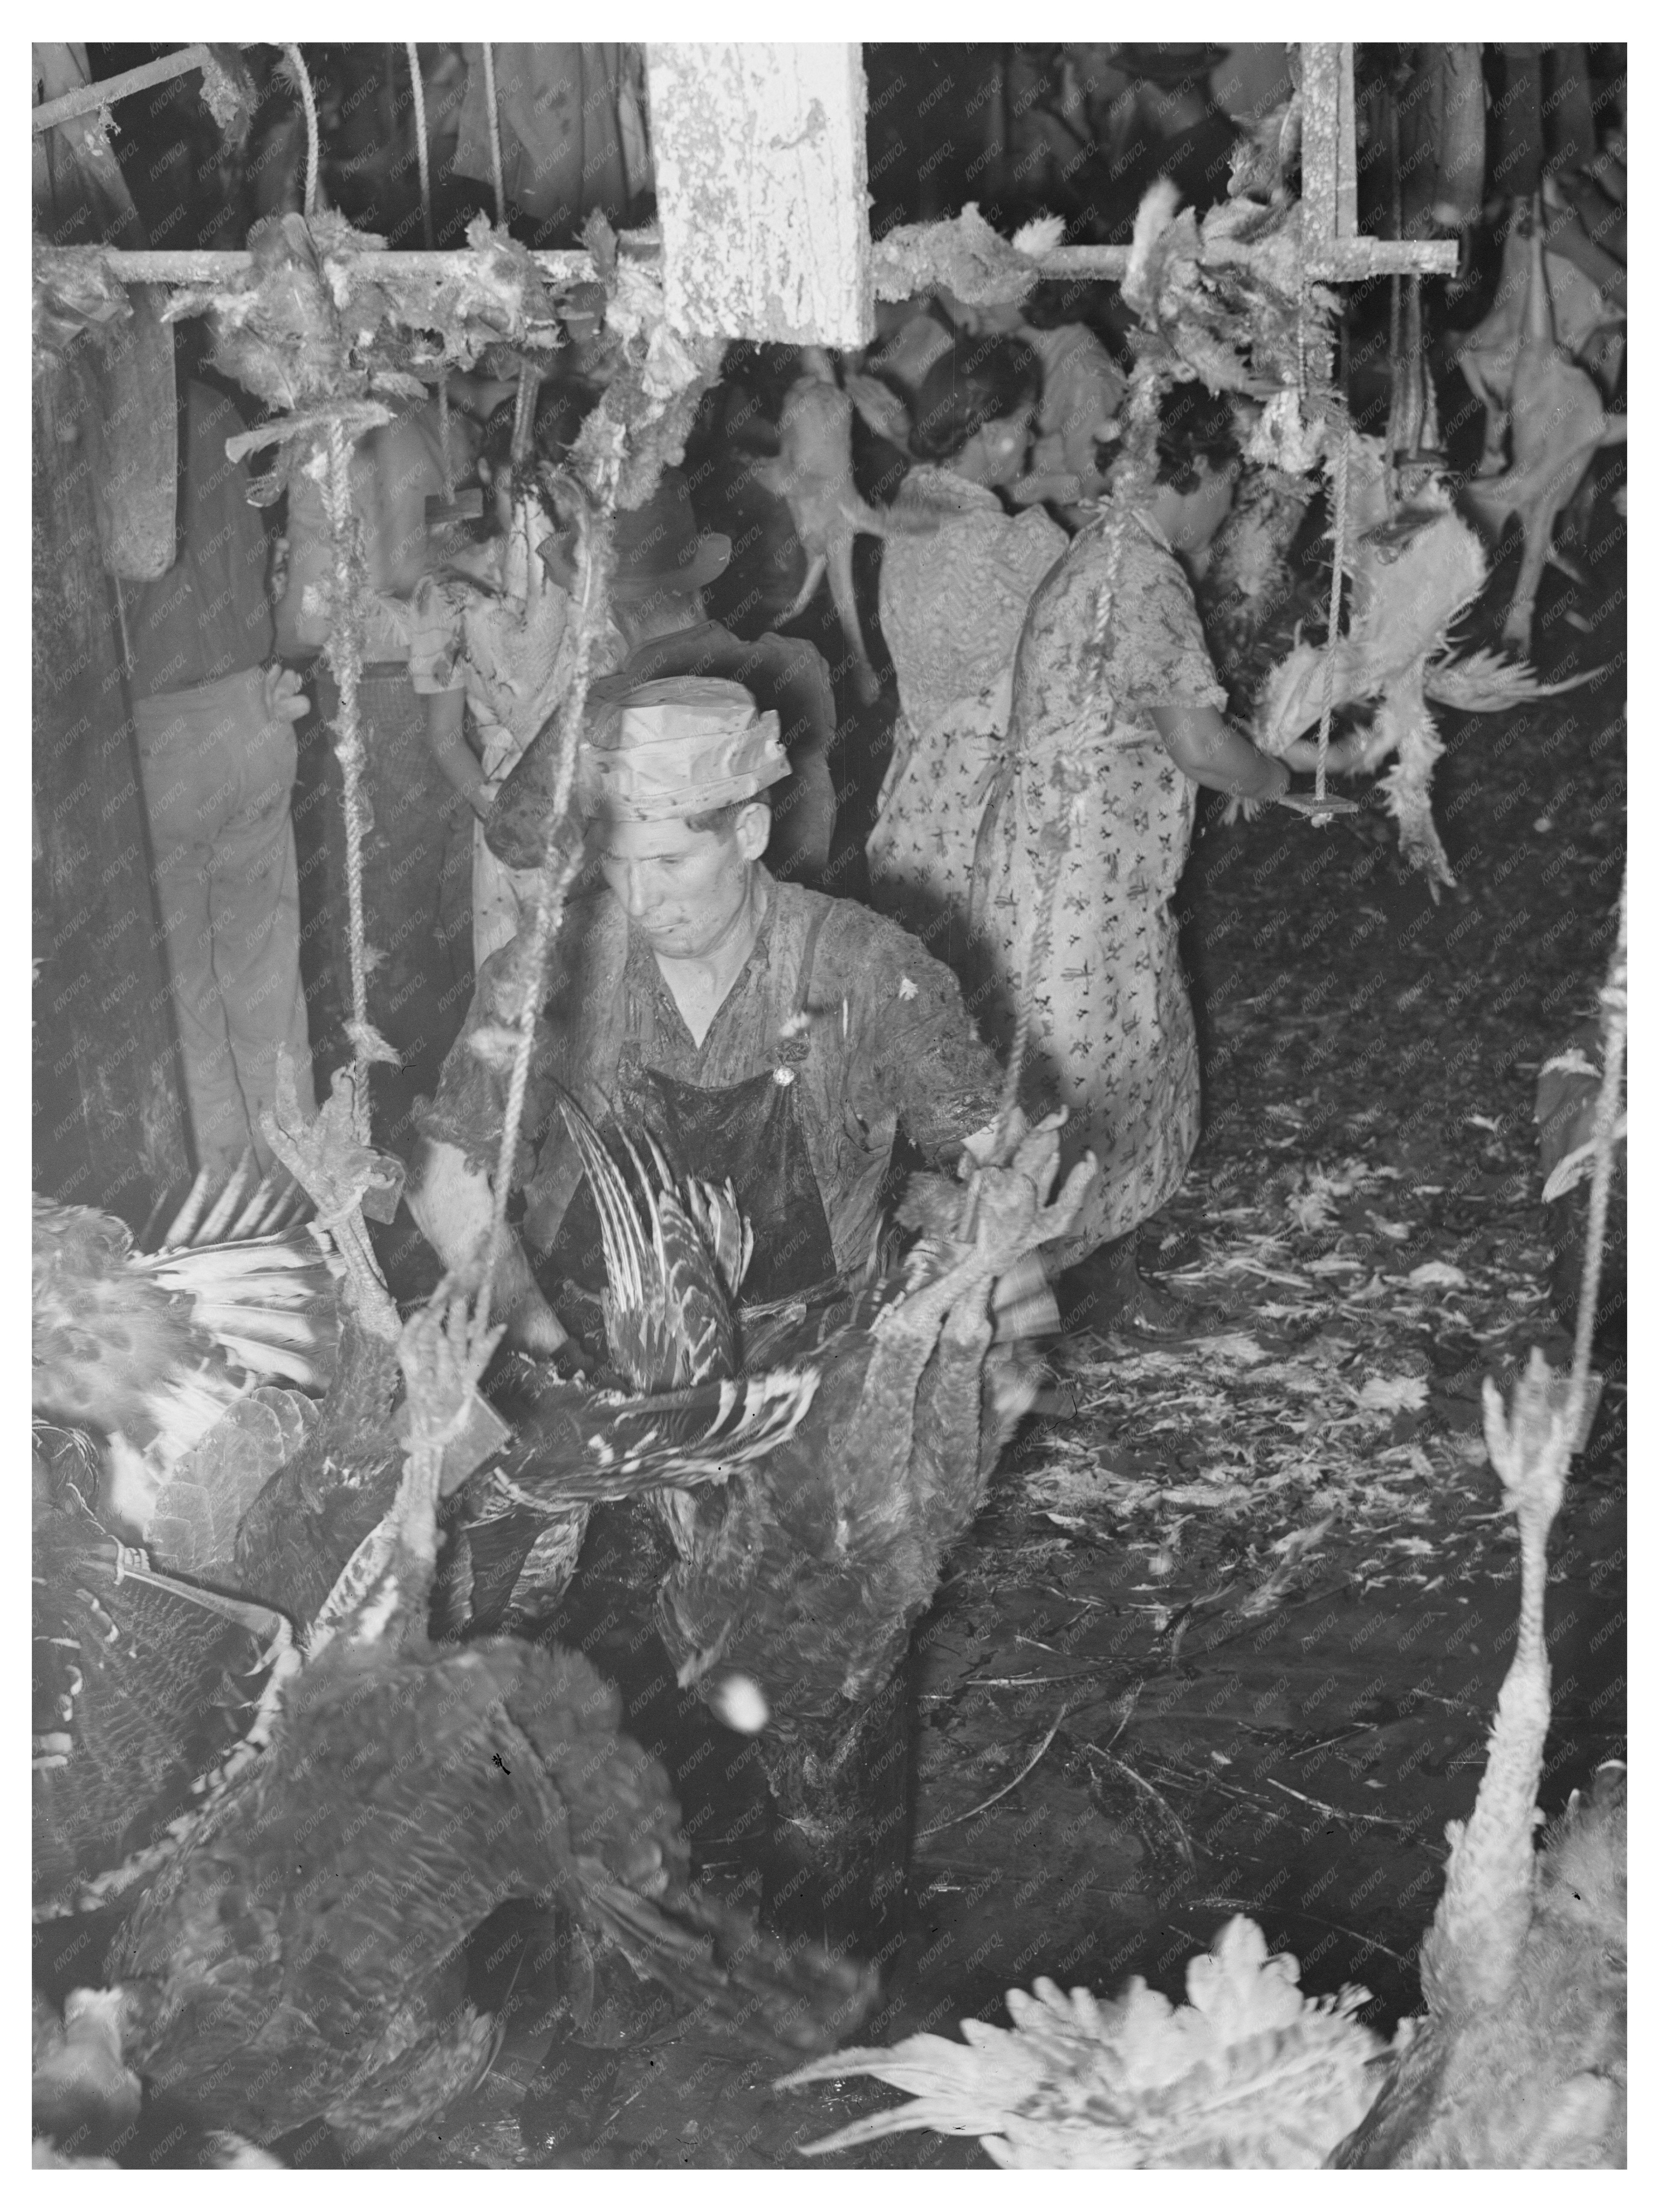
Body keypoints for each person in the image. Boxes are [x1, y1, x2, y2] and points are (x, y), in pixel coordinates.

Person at [407, 676, 1008, 1356]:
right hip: (589, 1343)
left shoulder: (867, 969)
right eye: (617, 861)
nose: (641, 898)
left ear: (749, 831)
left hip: (810, 1357)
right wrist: (555, 1368)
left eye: (670, 861)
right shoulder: (547, 972)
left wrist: (980, 1310)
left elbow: (1000, 1166)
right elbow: (443, 1182)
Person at [970, 381, 1364, 1327]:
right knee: (1073, 1093)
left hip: (1079, 869)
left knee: (1119, 1073)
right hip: (1071, 882)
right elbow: (1196, 742)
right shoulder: (1138, 578)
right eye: (1228, 483)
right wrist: (1281, 786)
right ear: (1193, 476)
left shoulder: (1112, 554)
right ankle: (1002, 1330)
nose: (1229, 507)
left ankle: (1089, 1284)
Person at [273, 388, 482, 1136]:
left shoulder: (368, 431)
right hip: (407, 676)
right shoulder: (412, 424)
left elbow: (402, 577)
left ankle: (399, 1102)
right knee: (409, 888)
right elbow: (433, 573)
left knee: (381, 898)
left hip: (386, 681)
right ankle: (415, 1087)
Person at [126, 367, 316, 1175]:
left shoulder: (84, 421)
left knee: (189, 1000)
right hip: (251, 710)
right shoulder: (215, 411)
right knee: (267, 979)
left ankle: (231, 1205)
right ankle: (307, 1190)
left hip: (156, 733)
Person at [486, 467, 839, 893]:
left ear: (605, 604)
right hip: (794, 916)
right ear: (697, 578)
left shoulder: (607, 713)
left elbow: (511, 839)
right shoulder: (799, 664)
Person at [864, 335, 1069, 976]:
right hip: (983, 814)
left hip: (910, 798)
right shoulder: (1016, 548)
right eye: (1022, 425)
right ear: (984, 427)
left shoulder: (912, 503)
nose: (1032, 440)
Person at [410, 385, 596, 968]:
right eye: (520, 489)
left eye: (548, 491)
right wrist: (501, 815)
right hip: (507, 809)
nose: (532, 509)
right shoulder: (447, 591)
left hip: (594, 800)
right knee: (509, 992)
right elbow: (443, 738)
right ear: (489, 474)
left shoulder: (599, 575)